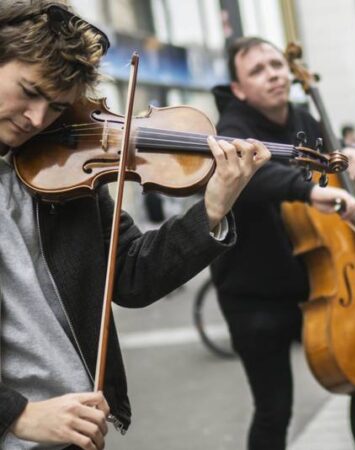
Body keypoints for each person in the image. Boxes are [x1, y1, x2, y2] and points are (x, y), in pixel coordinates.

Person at [0, 2, 269, 449]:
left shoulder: (62, 167)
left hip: (76, 430)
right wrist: (18, 414)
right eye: (28, 91)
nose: (36, 119)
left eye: (55, 108)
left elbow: (131, 275)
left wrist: (213, 209)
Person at [209, 36, 355, 450]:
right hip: (255, 295)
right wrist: (307, 190)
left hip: (320, 280)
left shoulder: (305, 117)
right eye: (257, 70)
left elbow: (334, 163)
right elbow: (250, 175)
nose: (272, 74)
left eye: (275, 65)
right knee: (274, 410)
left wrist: (352, 158)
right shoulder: (232, 128)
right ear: (238, 89)